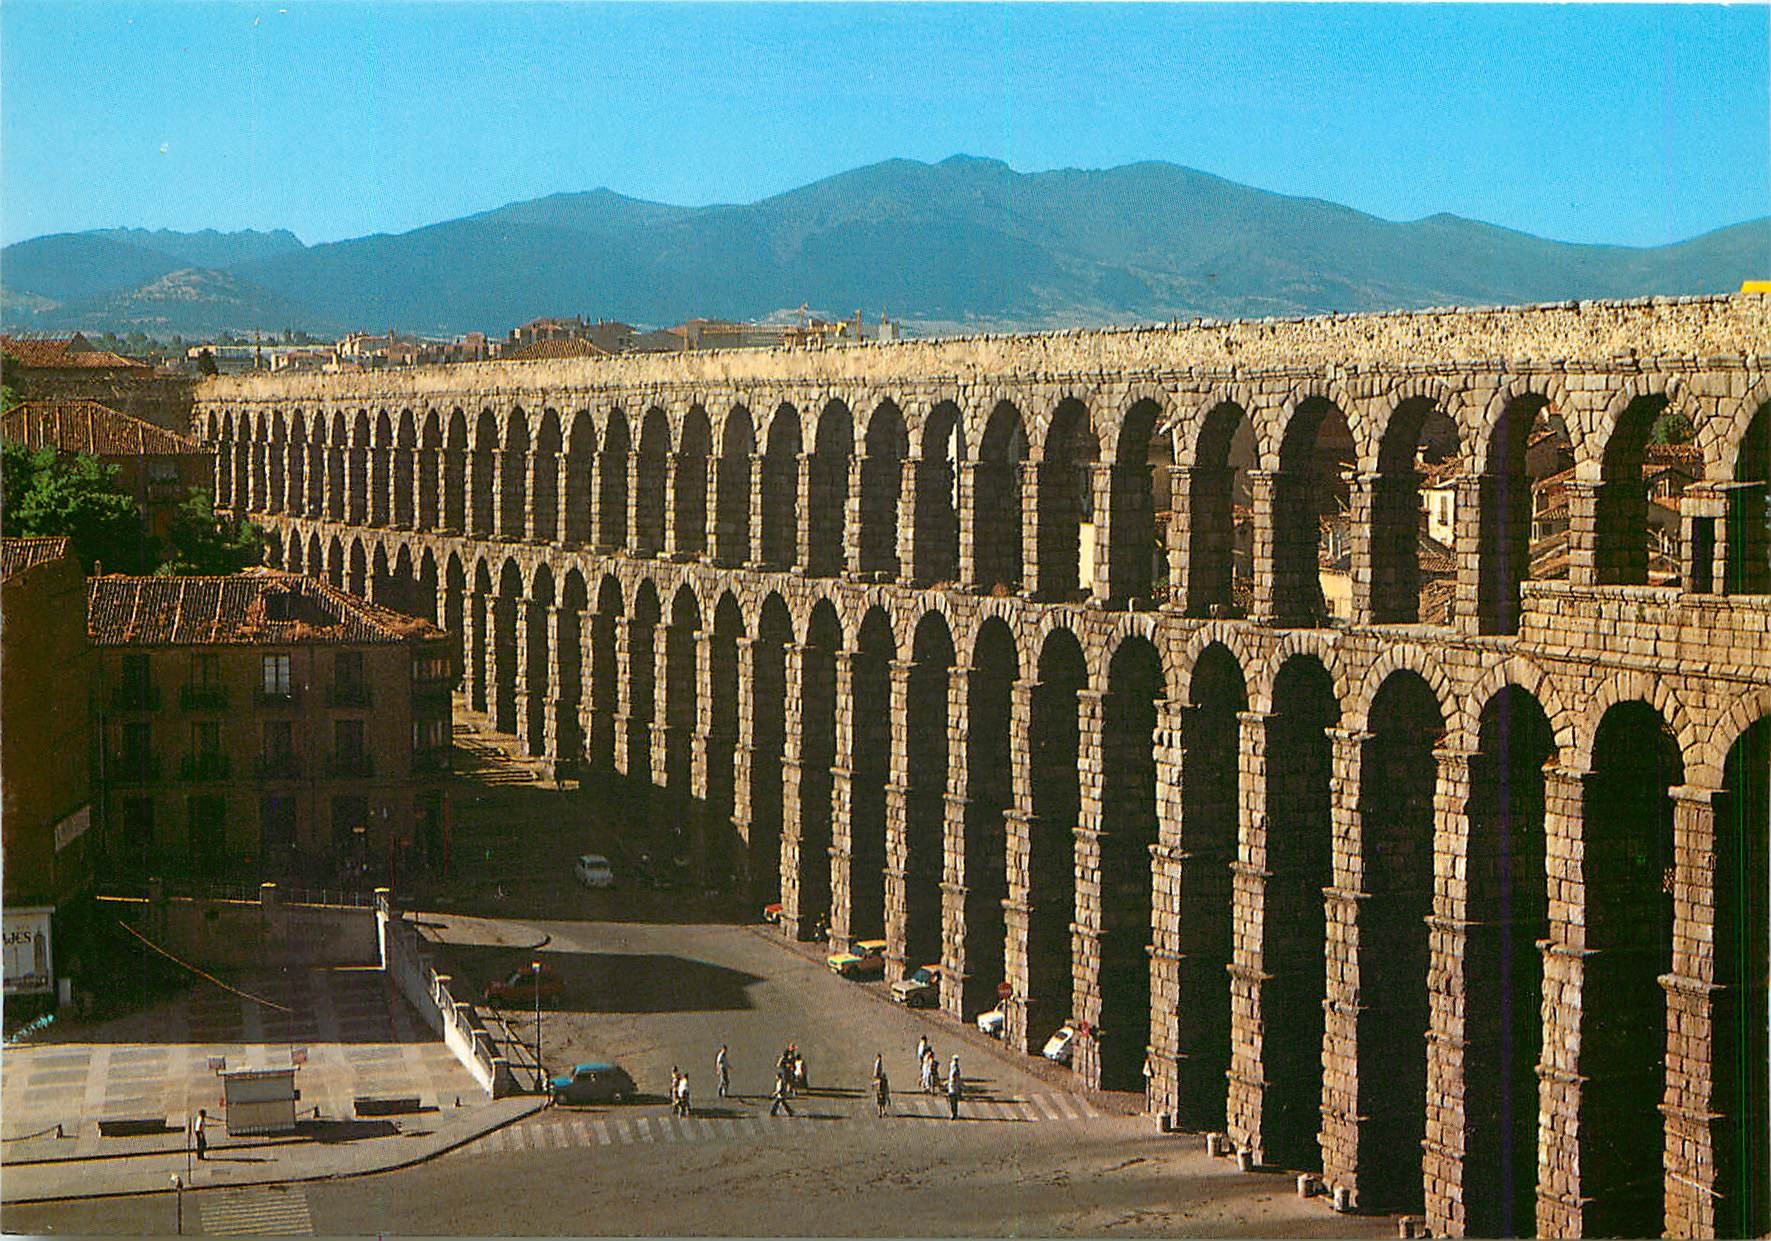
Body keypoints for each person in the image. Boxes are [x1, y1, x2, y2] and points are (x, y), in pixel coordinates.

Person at [946, 1056, 963, 1120]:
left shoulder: (955, 1068)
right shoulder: (955, 1067)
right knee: (953, 1101)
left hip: (953, 1087)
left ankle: (954, 1114)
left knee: (953, 1101)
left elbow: (954, 1077)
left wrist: (952, 1081)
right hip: (953, 1087)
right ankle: (954, 1113)